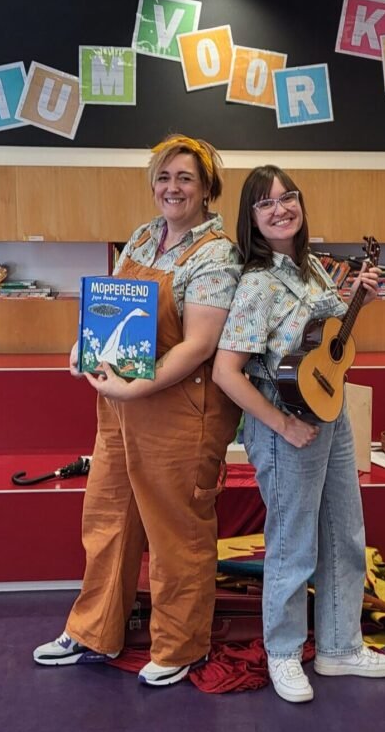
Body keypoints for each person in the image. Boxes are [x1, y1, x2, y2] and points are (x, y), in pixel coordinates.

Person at [34, 135, 242, 686]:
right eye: (164, 178)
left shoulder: (217, 253)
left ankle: (180, 646)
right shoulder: (143, 237)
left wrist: (134, 388)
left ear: (206, 189)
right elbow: (110, 307)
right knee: (107, 520)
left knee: (176, 533)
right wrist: (85, 345)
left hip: (182, 412)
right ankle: (92, 631)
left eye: (185, 179)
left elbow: (197, 345)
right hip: (121, 409)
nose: (172, 188)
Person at [212, 165, 385, 703]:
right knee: (293, 544)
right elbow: (228, 371)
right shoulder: (256, 283)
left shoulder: (314, 267)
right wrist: (282, 425)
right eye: (265, 204)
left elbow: (323, 341)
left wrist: (358, 296)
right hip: (282, 421)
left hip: (328, 411)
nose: (280, 209)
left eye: (287, 198)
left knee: (345, 532)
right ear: (250, 218)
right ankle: (285, 653)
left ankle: (340, 646)